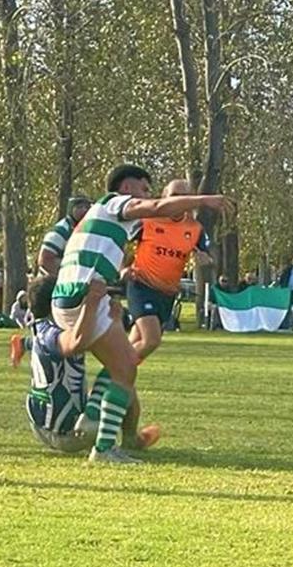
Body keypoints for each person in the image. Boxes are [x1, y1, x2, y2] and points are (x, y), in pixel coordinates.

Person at [51, 163, 233, 463]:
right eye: (144, 189)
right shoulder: (115, 203)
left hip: (78, 297)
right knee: (133, 359)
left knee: (125, 366)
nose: (147, 196)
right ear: (126, 188)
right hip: (94, 294)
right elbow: (158, 207)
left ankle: (102, 423)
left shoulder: (115, 218)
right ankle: (103, 445)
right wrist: (204, 200)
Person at [117, 178, 214, 436]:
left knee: (132, 346)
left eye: (183, 196)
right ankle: (114, 375)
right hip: (141, 285)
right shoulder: (146, 221)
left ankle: (116, 377)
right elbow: (120, 245)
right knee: (151, 340)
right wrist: (123, 269)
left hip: (167, 293)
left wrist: (203, 258)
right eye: (173, 195)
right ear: (164, 197)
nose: (177, 201)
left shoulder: (195, 228)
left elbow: (204, 253)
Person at [37, 195, 92, 277]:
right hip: (51, 282)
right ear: (71, 209)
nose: (84, 210)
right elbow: (45, 260)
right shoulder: (60, 231)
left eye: (87, 207)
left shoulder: (88, 231)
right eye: (79, 207)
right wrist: (70, 271)